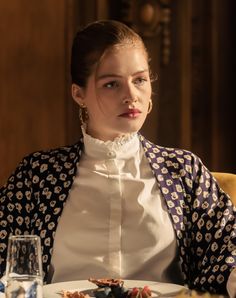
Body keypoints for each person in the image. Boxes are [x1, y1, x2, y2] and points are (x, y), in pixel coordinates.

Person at [0, 20, 235, 297]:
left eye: (139, 80)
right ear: (79, 94)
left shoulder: (183, 171)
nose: (131, 95)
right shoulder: (36, 175)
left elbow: (227, 254)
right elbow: (7, 266)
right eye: (111, 84)